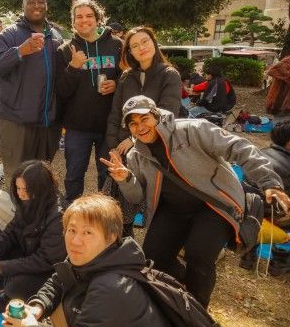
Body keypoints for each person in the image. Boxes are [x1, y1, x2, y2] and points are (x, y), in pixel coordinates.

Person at [101, 95, 290, 308]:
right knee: (152, 259)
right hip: (172, 209)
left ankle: (198, 314)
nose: (140, 127)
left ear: (156, 115)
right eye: (133, 123)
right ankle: (181, 294)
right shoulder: (136, 155)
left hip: (211, 206)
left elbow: (239, 148)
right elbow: (137, 196)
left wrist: (270, 183)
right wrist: (126, 178)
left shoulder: (193, 129)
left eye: (144, 119)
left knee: (199, 258)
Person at [3, 193, 180, 327]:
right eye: (71, 230)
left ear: (111, 237)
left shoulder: (113, 290)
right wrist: (38, 306)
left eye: (88, 232)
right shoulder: (95, 256)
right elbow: (60, 279)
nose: (75, 241)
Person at [104, 26, 182, 235]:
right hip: (123, 149)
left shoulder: (169, 75)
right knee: (118, 205)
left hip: (155, 147)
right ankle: (122, 241)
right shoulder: (126, 76)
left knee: (153, 202)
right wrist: (113, 147)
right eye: (135, 45)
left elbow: (167, 113)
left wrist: (133, 137)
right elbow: (115, 114)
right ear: (129, 52)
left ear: (154, 43)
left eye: (145, 42)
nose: (141, 48)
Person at [0, 0, 63, 186]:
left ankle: (38, 215)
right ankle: (16, 216)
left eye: (41, 1)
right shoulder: (10, 35)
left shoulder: (55, 36)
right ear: (23, 6)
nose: (36, 5)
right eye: (31, 1)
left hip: (47, 122)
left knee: (41, 177)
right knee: (17, 178)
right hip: (15, 121)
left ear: (47, 5)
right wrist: (19, 51)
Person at [56, 0, 122, 201]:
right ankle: (71, 213)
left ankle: (105, 214)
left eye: (89, 16)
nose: (84, 20)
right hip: (77, 126)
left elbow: (129, 78)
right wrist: (73, 68)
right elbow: (61, 91)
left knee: (106, 174)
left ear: (98, 19)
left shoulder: (117, 45)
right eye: (79, 16)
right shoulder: (66, 50)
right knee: (74, 174)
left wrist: (116, 84)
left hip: (109, 124)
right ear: (73, 21)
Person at [0, 160, 65, 306]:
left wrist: (2, 267)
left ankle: (7, 298)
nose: (20, 194)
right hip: (27, 253)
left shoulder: (57, 217)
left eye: (25, 189)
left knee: (16, 287)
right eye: (17, 188)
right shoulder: (28, 202)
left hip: (47, 269)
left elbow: (45, 260)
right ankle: (2, 289)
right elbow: (11, 232)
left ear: (40, 189)